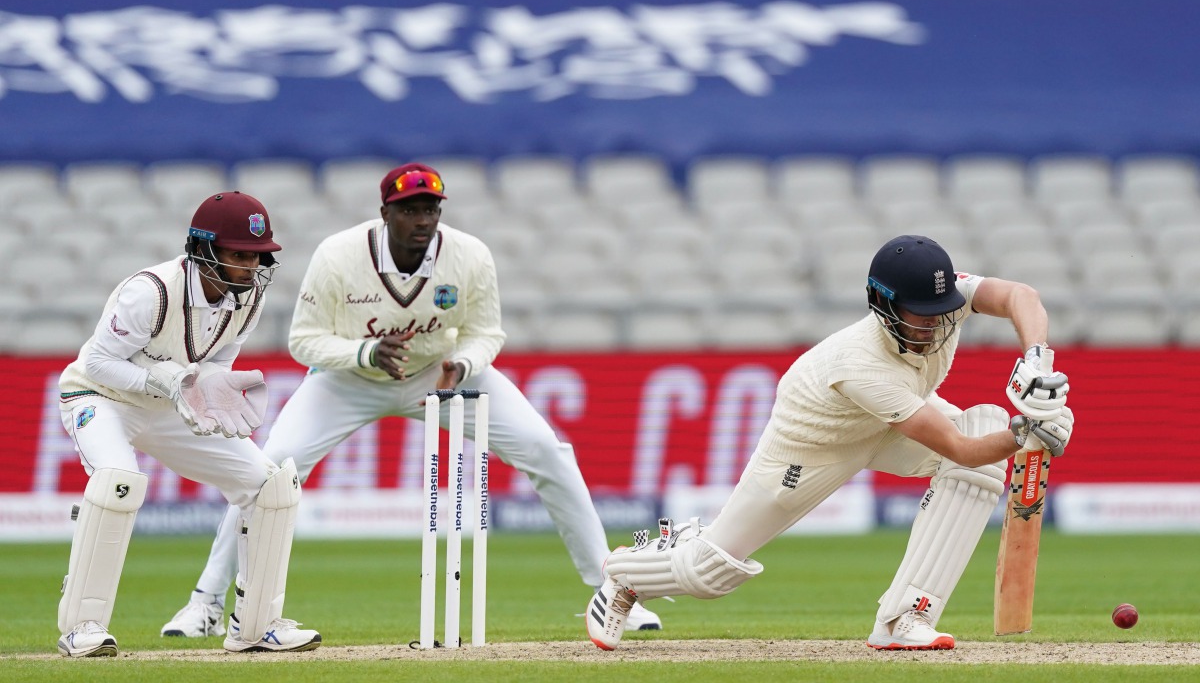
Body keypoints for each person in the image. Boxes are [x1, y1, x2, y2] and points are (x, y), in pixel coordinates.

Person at [161, 162, 662, 639]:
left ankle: (612, 592)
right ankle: (205, 602)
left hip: (438, 374)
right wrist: (365, 352)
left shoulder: (469, 256)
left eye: (431, 210)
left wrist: (462, 366)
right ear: (385, 214)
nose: (422, 220)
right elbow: (304, 342)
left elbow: (487, 333)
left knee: (547, 449)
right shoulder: (339, 256)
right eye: (409, 210)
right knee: (267, 470)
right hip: (348, 378)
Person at [585, 234, 1073, 651]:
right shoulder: (862, 366)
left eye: (941, 313)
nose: (934, 325)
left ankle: (905, 619)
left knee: (981, 425)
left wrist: (1037, 359)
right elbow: (959, 449)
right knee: (710, 574)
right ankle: (629, 571)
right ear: (883, 305)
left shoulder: (943, 300)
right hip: (812, 444)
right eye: (920, 315)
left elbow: (1020, 297)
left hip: (889, 424)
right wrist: (1024, 432)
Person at [55, 191, 321, 657]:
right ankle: (84, 627)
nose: (250, 267)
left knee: (270, 486)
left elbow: (219, 357)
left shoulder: (249, 296)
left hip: (167, 404)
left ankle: (257, 626)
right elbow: (97, 363)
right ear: (203, 249)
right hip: (100, 397)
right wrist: (169, 383)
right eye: (239, 255)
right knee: (119, 482)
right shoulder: (149, 291)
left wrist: (211, 386)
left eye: (257, 257)